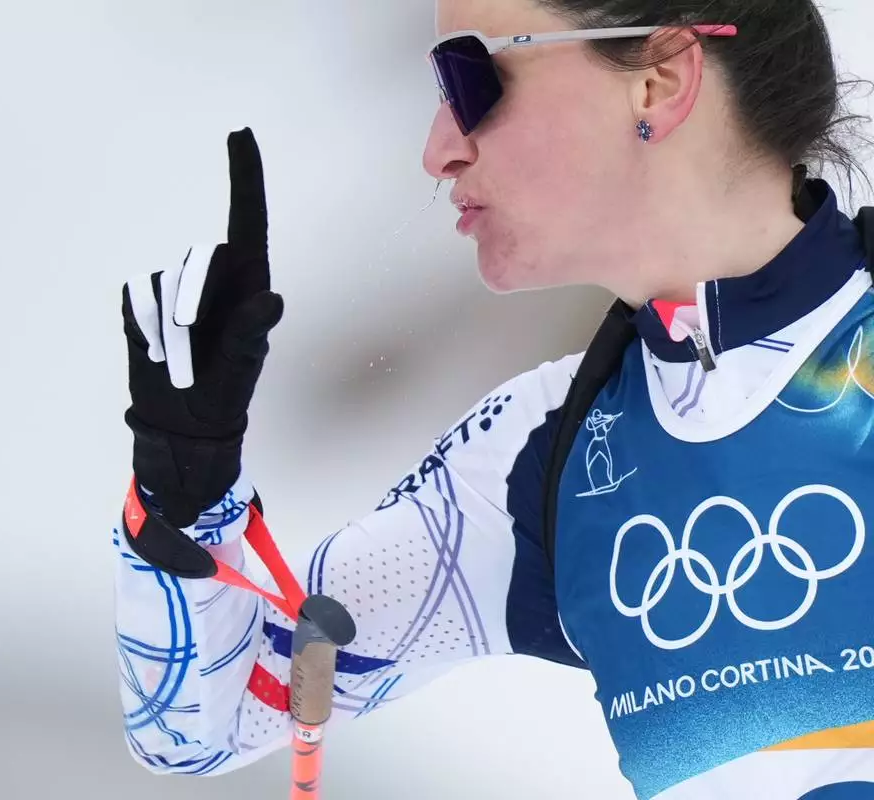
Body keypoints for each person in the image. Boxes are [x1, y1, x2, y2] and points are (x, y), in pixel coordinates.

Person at [111, 0, 874, 797]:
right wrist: (185, 486)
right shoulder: (542, 451)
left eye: (473, 77)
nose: (438, 149)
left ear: (658, 81)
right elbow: (199, 724)